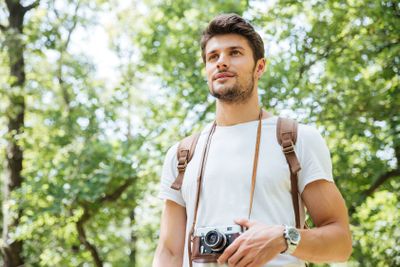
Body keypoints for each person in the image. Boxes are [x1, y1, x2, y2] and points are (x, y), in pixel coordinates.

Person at [153, 13, 352, 267]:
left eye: (234, 53)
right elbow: (169, 252)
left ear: (260, 67)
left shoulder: (296, 140)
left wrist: (283, 238)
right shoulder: (182, 154)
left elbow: (341, 243)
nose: (221, 62)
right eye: (213, 57)